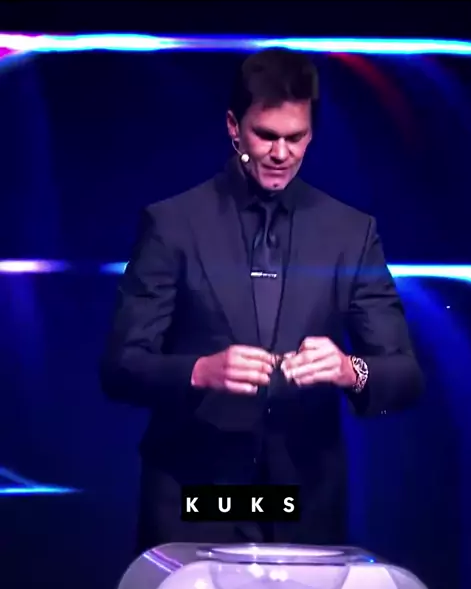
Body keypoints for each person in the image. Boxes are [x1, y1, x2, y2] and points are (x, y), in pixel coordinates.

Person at [100, 47, 424, 553]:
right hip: (195, 501)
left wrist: (349, 369)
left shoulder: (351, 233)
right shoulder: (172, 224)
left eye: (296, 138)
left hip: (304, 506)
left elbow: (404, 374)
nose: (281, 153)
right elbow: (120, 367)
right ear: (234, 127)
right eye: (266, 135)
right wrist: (200, 371)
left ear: (311, 133)